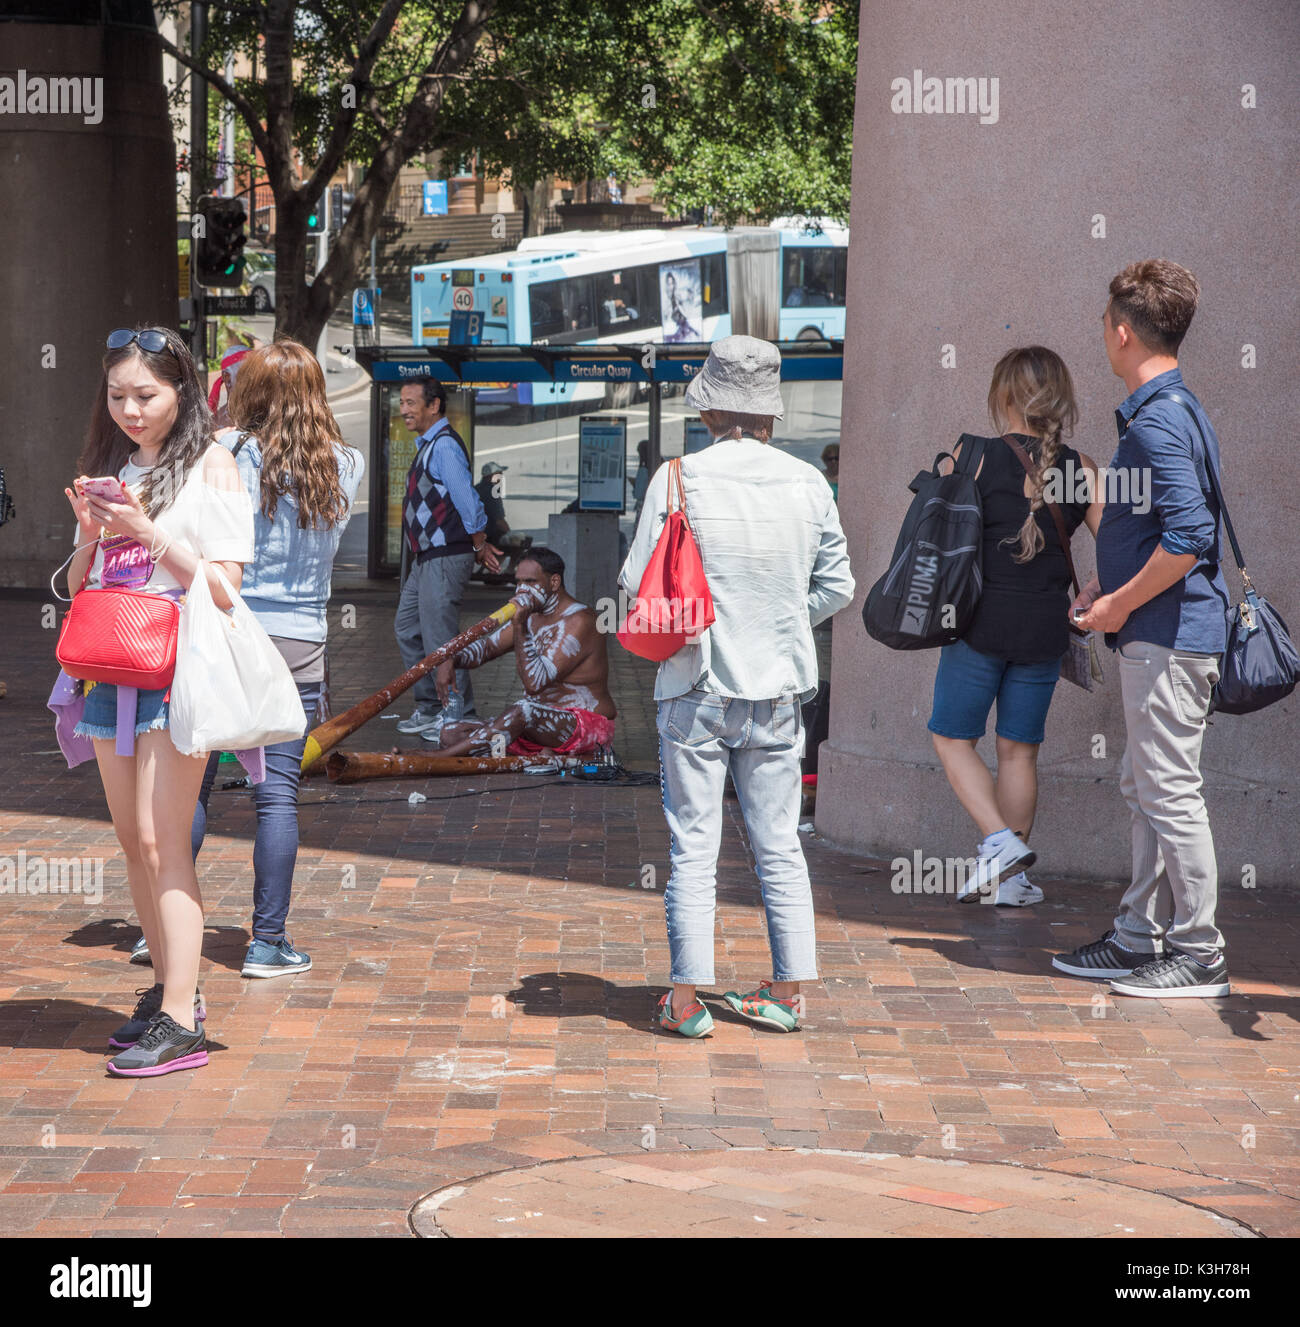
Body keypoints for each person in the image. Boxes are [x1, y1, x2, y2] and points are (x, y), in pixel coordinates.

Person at [620, 335, 854, 1038]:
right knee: (779, 841)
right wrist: (783, 616)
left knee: (694, 842)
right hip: (780, 691)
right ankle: (786, 992)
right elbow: (837, 585)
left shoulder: (678, 477)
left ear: (710, 408)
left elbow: (635, 582)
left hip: (696, 682)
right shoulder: (809, 481)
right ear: (769, 413)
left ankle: (686, 1002)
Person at [51, 326, 255, 1076]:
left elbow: (227, 586)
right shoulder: (111, 465)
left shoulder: (214, 466)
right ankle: (175, 987)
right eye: (117, 396)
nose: (130, 410)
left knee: (169, 841)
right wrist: (89, 535)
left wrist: (144, 530)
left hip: (178, 671)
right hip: (110, 668)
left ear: (182, 392)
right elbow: (81, 588)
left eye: (146, 395)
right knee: (133, 838)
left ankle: (181, 1018)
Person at [1055, 259, 1231, 998]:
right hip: (1161, 630)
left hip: (1167, 636)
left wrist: (1120, 605)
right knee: (1148, 783)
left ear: (1122, 333)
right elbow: (1162, 526)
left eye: (1103, 325)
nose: (1102, 336)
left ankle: (1198, 951)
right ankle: (1137, 936)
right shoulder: (1174, 408)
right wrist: (1112, 582)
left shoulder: (1159, 418)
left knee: (1167, 788)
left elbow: (1190, 536)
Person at [184, 339, 364, 979]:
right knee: (277, 796)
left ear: (246, 393)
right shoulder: (346, 462)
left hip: (223, 628)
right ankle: (266, 944)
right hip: (298, 643)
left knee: (192, 786)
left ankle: (164, 930)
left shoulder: (222, 453)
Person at [927, 347, 1104, 907]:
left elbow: (938, 533)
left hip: (977, 624)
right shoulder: (1084, 469)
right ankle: (1012, 882)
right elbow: (1120, 551)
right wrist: (1096, 593)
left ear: (1003, 396)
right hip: (1044, 633)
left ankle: (999, 842)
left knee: (952, 738)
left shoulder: (971, 454)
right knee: (1018, 753)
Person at [393, 377, 501, 738]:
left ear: (434, 405)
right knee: (408, 628)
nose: (404, 409)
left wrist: (478, 543)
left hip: (445, 555)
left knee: (442, 638)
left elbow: (467, 500)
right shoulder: (428, 445)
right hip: (428, 557)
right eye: (402, 402)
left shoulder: (443, 446)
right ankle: (429, 708)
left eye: (411, 402)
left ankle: (458, 714)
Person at [433, 548, 616, 756]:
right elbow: (487, 648)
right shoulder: (532, 615)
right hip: (535, 727)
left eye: (530, 582)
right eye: (518, 583)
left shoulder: (581, 620)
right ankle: (542, 756)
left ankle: (440, 758)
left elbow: (535, 683)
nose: (521, 590)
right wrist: (450, 658)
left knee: (523, 710)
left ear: (554, 582)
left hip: (585, 728)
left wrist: (519, 625)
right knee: (451, 734)